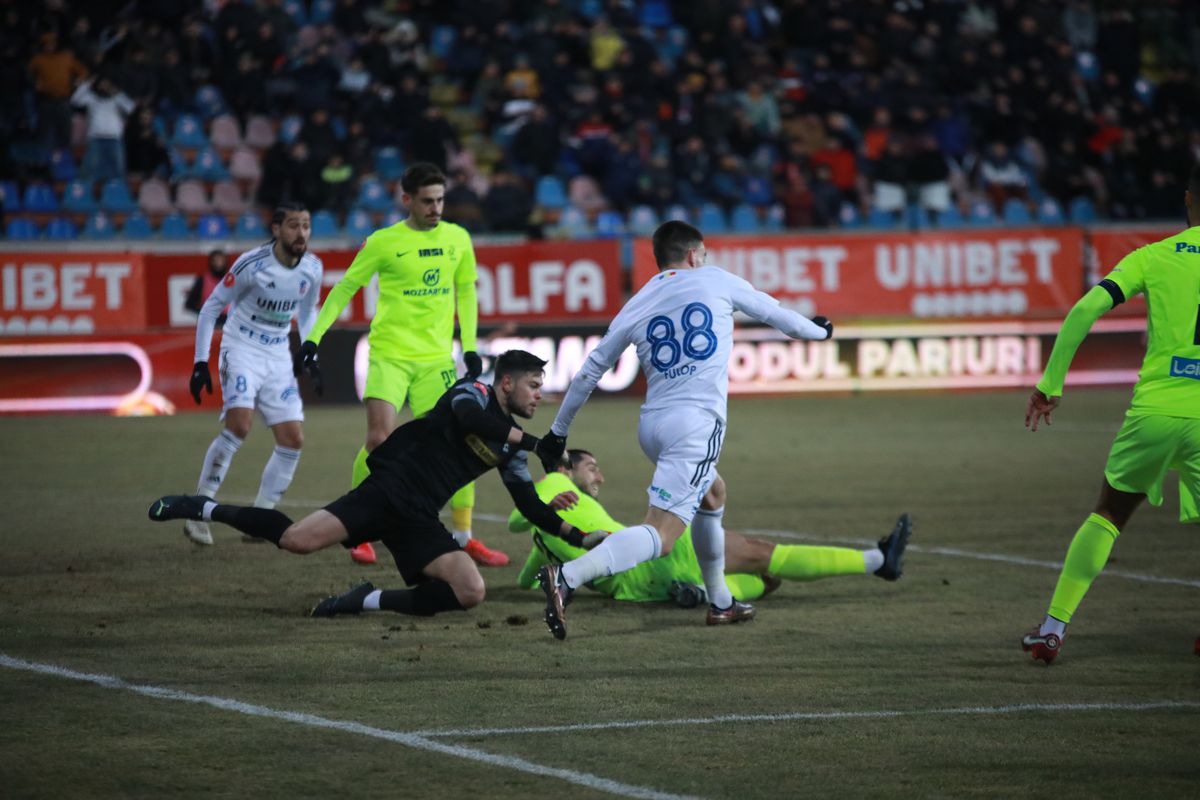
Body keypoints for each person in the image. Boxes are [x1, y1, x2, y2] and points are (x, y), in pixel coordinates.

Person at [532, 220, 837, 640]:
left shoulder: (638, 301)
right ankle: (567, 576)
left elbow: (588, 373)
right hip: (695, 424)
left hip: (652, 425)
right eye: (705, 255)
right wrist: (819, 331)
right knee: (662, 534)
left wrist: (558, 433)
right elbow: (778, 315)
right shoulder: (714, 279)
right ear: (695, 255)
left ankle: (721, 601)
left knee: (712, 494)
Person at [148, 351, 605, 618]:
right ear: (506, 383)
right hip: (387, 488)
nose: (539, 394)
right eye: (532, 385)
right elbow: (468, 419)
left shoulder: (509, 448)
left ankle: (366, 599)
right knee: (295, 541)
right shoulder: (476, 394)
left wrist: (582, 538)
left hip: (419, 515)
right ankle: (200, 506)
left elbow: (528, 503)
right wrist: (535, 443)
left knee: (471, 591)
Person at [1020, 164, 1200, 665]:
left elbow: (1083, 311)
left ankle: (1053, 630)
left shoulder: (1154, 256)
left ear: (1188, 199)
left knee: (1109, 514)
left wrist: (1050, 384)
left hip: (1158, 407)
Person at [295, 162, 508, 568]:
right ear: (406, 199)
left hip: (435, 361)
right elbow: (345, 288)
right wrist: (313, 336)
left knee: (458, 442)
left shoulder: (458, 239)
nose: (436, 209)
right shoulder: (383, 241)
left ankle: (463, 537)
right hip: (390, 354)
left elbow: (466, 291)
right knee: (379, 439)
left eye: (440, 200)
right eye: (427, 201)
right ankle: (357, 531)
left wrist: (469, 346)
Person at [511, 449, 912, 604]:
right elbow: (520, 510)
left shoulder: (542, 538)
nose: (599, 476)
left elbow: (527, 578)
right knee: (764, 555)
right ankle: (878, 561)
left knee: (769, 581)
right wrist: (546, 495)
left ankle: (704, 592)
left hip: (636, 589)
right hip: (655, 554)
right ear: (564, 468)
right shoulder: (554, 484)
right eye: (591, 467)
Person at [181, 202, 322, 546]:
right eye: (293, 225)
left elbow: (307, 312)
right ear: (276, 229)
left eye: (306, 225)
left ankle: (261, 517)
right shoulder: (251, 264)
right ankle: (198, 510)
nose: (301, 233)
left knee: (293, 439)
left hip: (276, 353)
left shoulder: (313, 268)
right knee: (240, 425)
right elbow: (212, 306)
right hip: (241, 346)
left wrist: (311, 347)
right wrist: (201, 362)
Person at [70, 74, 136, 187]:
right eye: (102, 84)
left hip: (115, 139)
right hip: (96, 139)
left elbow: (131, 107)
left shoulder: (117, 99)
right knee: (89, 167)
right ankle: (83, 193)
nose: (104, 87)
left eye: (107, 85)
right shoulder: (91, 98)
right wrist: (87, 84)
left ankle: (119, 193)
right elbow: (75, 101)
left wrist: (117, 92)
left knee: (119, 169)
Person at [184, 247, 231, 323]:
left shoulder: (233, 279)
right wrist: (204, 313)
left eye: (221, 260)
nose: (219, 264)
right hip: (210, 322)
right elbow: (190, 304)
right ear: (211, 262)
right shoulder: (203, 280)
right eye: (215, 260)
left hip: (230, 322)